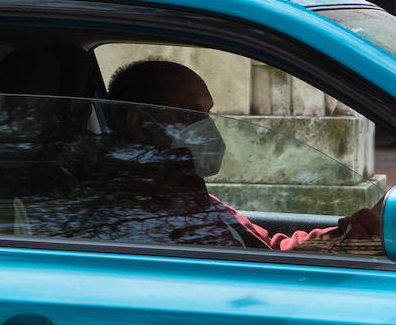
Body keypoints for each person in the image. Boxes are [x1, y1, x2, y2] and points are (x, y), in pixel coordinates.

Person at [100, 60, 379, 250]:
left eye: (206, 115)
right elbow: (269, 271)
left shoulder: (191, 197)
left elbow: (270, 250)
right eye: (190, 115)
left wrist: (362, 230)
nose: (206, 128)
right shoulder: (141, 216)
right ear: (138, 125)